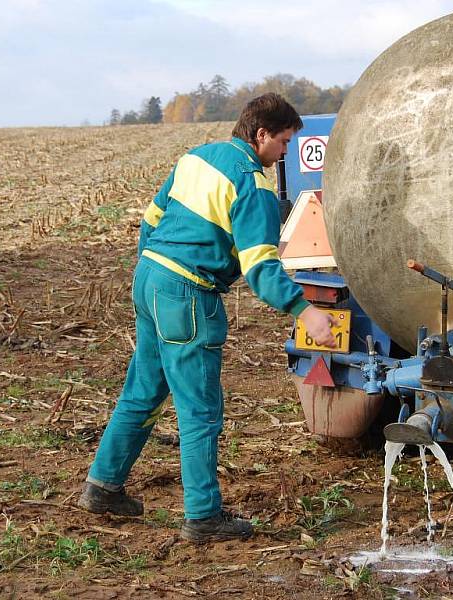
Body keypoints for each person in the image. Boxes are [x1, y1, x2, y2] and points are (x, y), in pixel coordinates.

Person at [77, 93, 337, 543]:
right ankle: (203, 516)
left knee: (143, 391)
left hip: (150, 278)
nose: (285, 154)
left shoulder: (197, 157)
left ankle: (103, 486)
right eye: (283, 142)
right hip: (187, 296)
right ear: (261, 135)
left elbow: (151, 218)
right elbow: (260, 266)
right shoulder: (251, 183)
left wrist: (154, 270)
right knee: (200, 410)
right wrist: (305, 310)